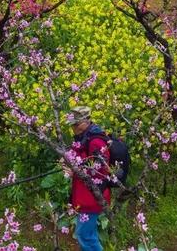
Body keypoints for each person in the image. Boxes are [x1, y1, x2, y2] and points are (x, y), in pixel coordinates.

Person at [67, 106, 110, 251]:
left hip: (92, 197)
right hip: (85, 197)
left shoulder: (95, 141)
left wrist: (77, 170)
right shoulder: (84, 138)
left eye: (76, 124)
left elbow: (101, 169)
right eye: (72, 125)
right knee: (89, 235)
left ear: (86, 121)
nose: (74, 128)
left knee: (84, 235)